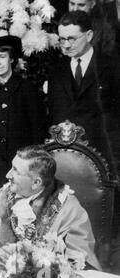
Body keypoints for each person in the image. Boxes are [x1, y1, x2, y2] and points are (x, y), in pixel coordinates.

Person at [0, 145, 101, 270]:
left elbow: (79, 261)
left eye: (16, 171)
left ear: (36, 182)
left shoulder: (69, 208)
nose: (8, 175)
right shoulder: (2, 197)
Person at [49, 11, 120, 178]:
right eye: (62, 39)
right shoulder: (55, 70)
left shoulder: (112, 67)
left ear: (88, 35)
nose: (66, 45)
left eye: (72, 39)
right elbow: (53, 114)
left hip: (104, 160)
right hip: (64, 160)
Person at [0, 35, 46, 189]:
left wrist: (36, 161)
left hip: (22, 164)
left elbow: (38, 129)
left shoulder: (27, 89)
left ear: (11, 59)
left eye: (2, 57)